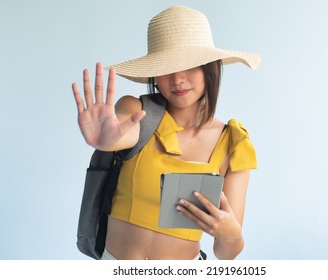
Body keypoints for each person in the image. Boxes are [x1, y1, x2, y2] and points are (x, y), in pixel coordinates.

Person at [72, 6, 260, 260]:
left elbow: (226, 253)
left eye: (190, 65)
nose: (177, 78)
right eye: (166, 67)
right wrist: (107, 140)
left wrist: (231, 234)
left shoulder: (233, 144)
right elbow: (122, 133)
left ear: (210, 68)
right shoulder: (137, 111)